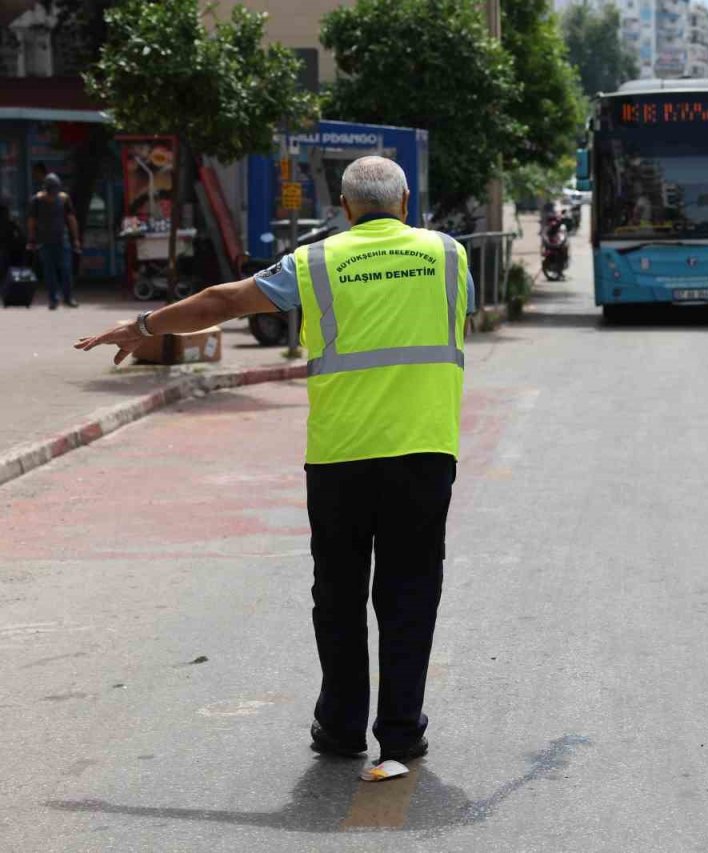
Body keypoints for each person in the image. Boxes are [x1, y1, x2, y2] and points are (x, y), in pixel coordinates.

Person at [74, 156, 472, 774]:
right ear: (405, 202)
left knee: (338, 596)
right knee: (411, 593)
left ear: (343, 208)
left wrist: (145, 324)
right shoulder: (449, 255)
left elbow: (223, 301)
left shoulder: (316, 261)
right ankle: (400, 732)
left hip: (340, 457)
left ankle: (341, 728)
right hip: (424, 452)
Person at [26, 173, 81, 309]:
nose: (52, 195)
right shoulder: (37, 200)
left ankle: (68, 298)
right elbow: (32, 221)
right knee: (49, 272)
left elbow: (71, 219)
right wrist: (32, 239)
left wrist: (75, 239)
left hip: (62, 240)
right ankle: (53, 299)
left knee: (66, 270)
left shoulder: (63, 199)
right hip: (44, 241)